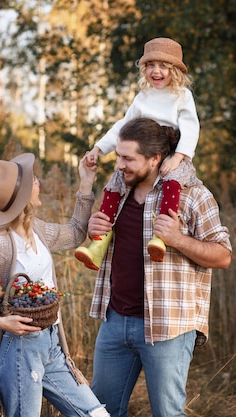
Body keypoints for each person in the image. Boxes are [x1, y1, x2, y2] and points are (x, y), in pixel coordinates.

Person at [86, 118, 232, 417]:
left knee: (167, 413)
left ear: (155, 159)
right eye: (118, 157)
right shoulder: (118, 190)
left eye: (128, 159)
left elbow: (223, 255)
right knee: (100, 411)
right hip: (115, 320)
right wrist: (94, 227)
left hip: (168, 327)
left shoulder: (193, 195)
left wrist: (177, 238)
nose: (120, 165)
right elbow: (104, 241)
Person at [0, 152, 110, 417]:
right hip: (20, 349)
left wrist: (85, 183)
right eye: (34, 180)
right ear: (24, 195)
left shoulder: (36, 229)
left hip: (51, 343)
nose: (39, 182)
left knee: (96, 414)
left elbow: (75, 233)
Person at [75, 37, 201, 270]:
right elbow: (123, 126)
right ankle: (99, 241)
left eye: (163, 66)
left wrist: (179, 156)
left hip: (172, 152)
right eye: (150, 65)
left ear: (175, 70)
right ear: (144, 69)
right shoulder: (142, 98)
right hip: (142, 153)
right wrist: (98, 148)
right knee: (114, 184)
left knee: (173, 182)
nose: (156, 71)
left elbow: (191, 128)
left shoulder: (182, 96)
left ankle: (160, 237)